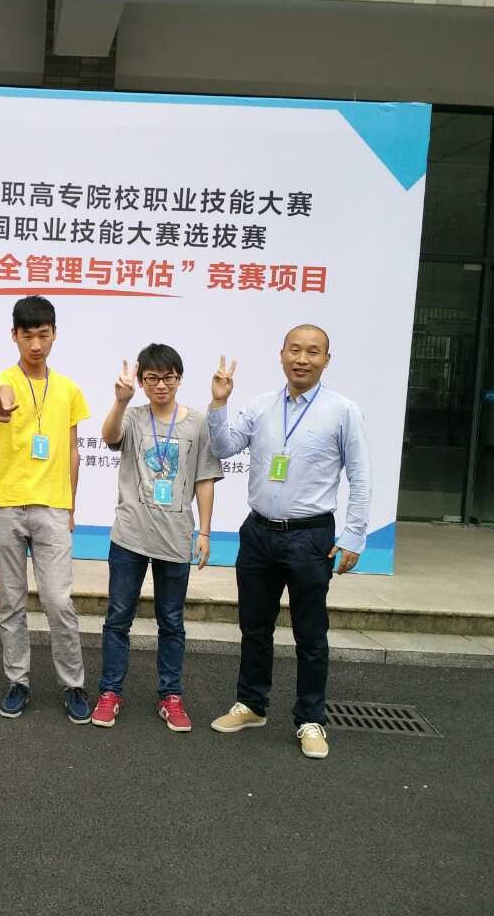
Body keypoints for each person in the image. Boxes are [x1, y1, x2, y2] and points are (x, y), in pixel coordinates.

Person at [206, 324, 371, 759]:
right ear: (281, 354)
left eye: (313, 352)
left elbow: (361, 476)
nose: (302, 359)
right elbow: (222, 447)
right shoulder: (260, 406)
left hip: (310, 537)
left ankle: (311, 720)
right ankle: (251, 704)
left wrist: (353, 536)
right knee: (254, 626)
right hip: (258, 532)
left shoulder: (342, 411)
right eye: (294, 350)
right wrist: (219, 402)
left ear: (326, 360)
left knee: (310, 634)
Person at [92, 344, 222, 733]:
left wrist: (205, 531)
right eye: (152, 378)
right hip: (130, 536)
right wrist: (120, 400)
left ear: (179, 378)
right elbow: (109, 436)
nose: (161, 385)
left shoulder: (197, 423)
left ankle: (171, 696)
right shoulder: (132, 417)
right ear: (142, 381)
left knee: (172, 622)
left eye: (168, 377)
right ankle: (110, 692)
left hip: (175, 537)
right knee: (118, 619)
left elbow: (204, 479)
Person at [0, 296, 92, 724]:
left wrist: (71, 506)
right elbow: (1, 398)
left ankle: (73, 683)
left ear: (54, 335)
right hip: (6, 505)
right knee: (11, 601)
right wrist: (1, 407)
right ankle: (18, 681)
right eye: (27, 335)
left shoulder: (68, 389)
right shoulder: (1, 380)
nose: (35, 344)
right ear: (14, 335)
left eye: (43, 335)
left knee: (58, 600)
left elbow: (73, 450)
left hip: (52, 507)